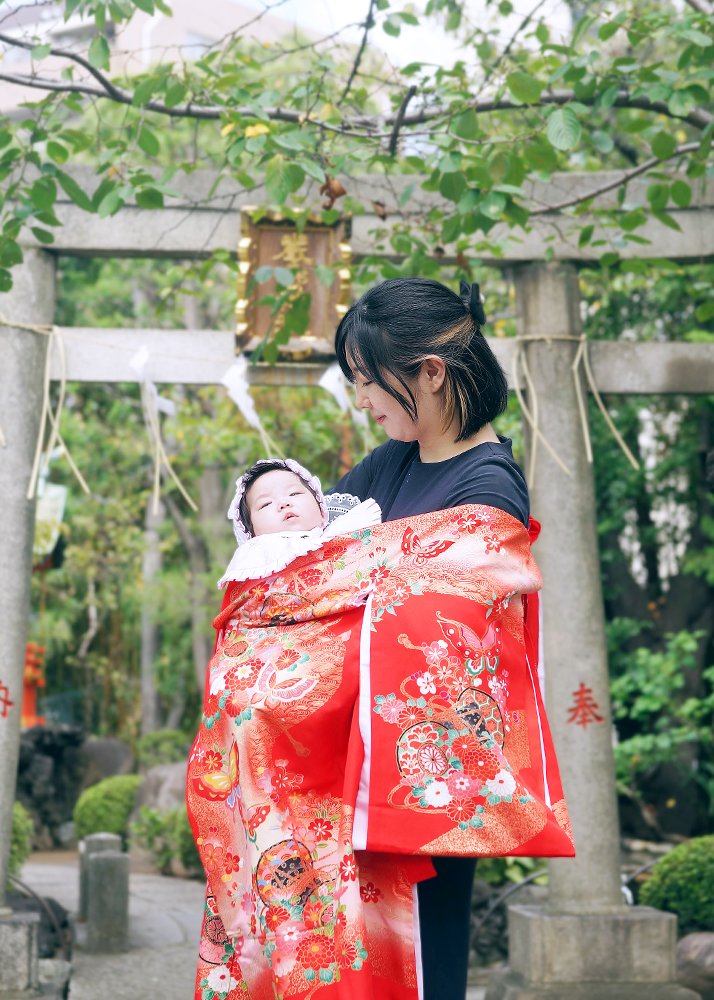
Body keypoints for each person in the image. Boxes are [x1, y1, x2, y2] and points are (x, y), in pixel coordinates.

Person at [328, 276, 529, 1000]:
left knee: (420, 960)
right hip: (366, 757)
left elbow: (445, 631)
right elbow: (311, 555)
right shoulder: (392, 462)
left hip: (431, 770)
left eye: (369, 381)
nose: (363, 400)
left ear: (431, 373)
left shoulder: (490, 483)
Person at [218, 458, 381, 587]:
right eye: (266, 504)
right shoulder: (252, 560)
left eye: (294, 493)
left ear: (320, 505)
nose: (284, 503)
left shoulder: (345, 530)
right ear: (250, 532)